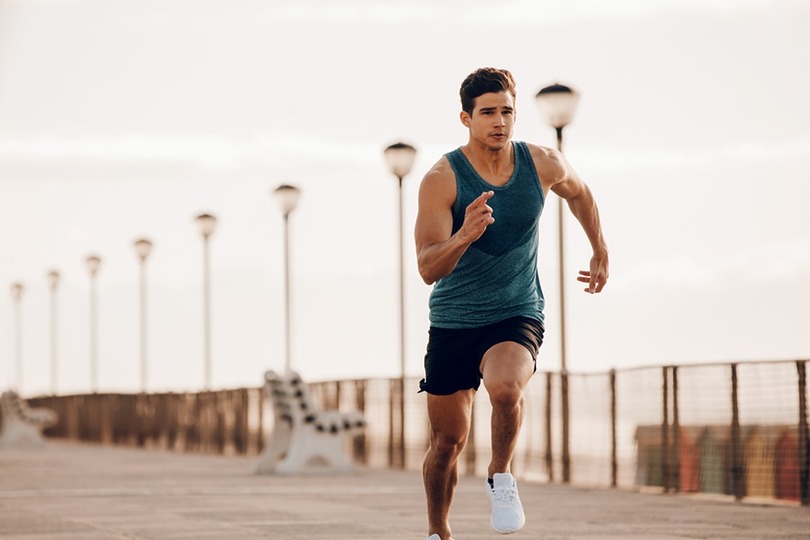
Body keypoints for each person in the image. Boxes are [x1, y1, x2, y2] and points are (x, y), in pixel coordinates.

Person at [414, 67, 609, 540]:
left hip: (516, 310)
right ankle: (438, 530)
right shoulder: (442, 178)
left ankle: (501, 476)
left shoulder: (542, 162)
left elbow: (579, 192)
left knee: (505, 389)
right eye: (487, 113)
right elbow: (427, 268)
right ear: (466, 118)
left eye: (506, 111)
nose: (499, 122)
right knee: (447, 442)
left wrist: (599, 248)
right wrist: (465, 234)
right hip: (455, 320)